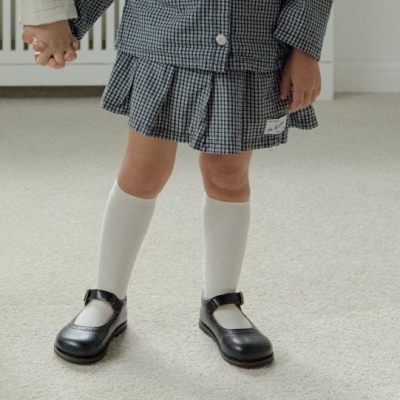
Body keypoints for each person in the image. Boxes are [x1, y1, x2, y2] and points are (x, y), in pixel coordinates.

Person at [20, 0, 333, 368]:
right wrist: (57, 22)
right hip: (162, 37)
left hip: (250, 40)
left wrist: (304, 48)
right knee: (142, 172)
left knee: (229, 176)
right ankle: (106, 296)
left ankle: (221, 301)